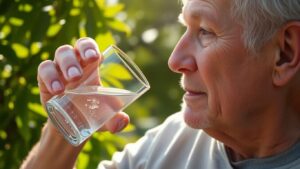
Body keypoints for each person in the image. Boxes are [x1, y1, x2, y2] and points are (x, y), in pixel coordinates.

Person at [21, 0, 300, 168]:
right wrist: (67, 127)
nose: (175, 60)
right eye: (185, 28)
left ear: (284, 54)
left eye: (205, 32)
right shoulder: (171, 143)